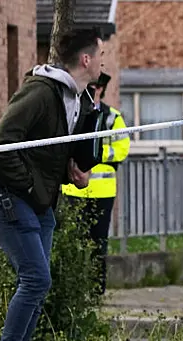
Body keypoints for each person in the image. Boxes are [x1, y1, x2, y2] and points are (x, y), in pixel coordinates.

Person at [0, 27, 105, 341]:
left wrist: (71, 170)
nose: (103, 61)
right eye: (101, 54)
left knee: (38, 283)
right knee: (35, 279)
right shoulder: (40, 92)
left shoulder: (76, 98)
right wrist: (32, 186)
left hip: (40, 203)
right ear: (85, 59)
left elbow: (45, 150)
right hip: (5, 197)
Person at [61, 71, 130, 294]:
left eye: (95, 87)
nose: (92, 90)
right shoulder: (74, 112)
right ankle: (75, 288)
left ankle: (96, 289)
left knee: (98, 242)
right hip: (74, 189)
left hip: (102, 191)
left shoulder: (112, 117)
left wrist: (96, 153)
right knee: (73, 242)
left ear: (100, 89)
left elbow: (122, 149)